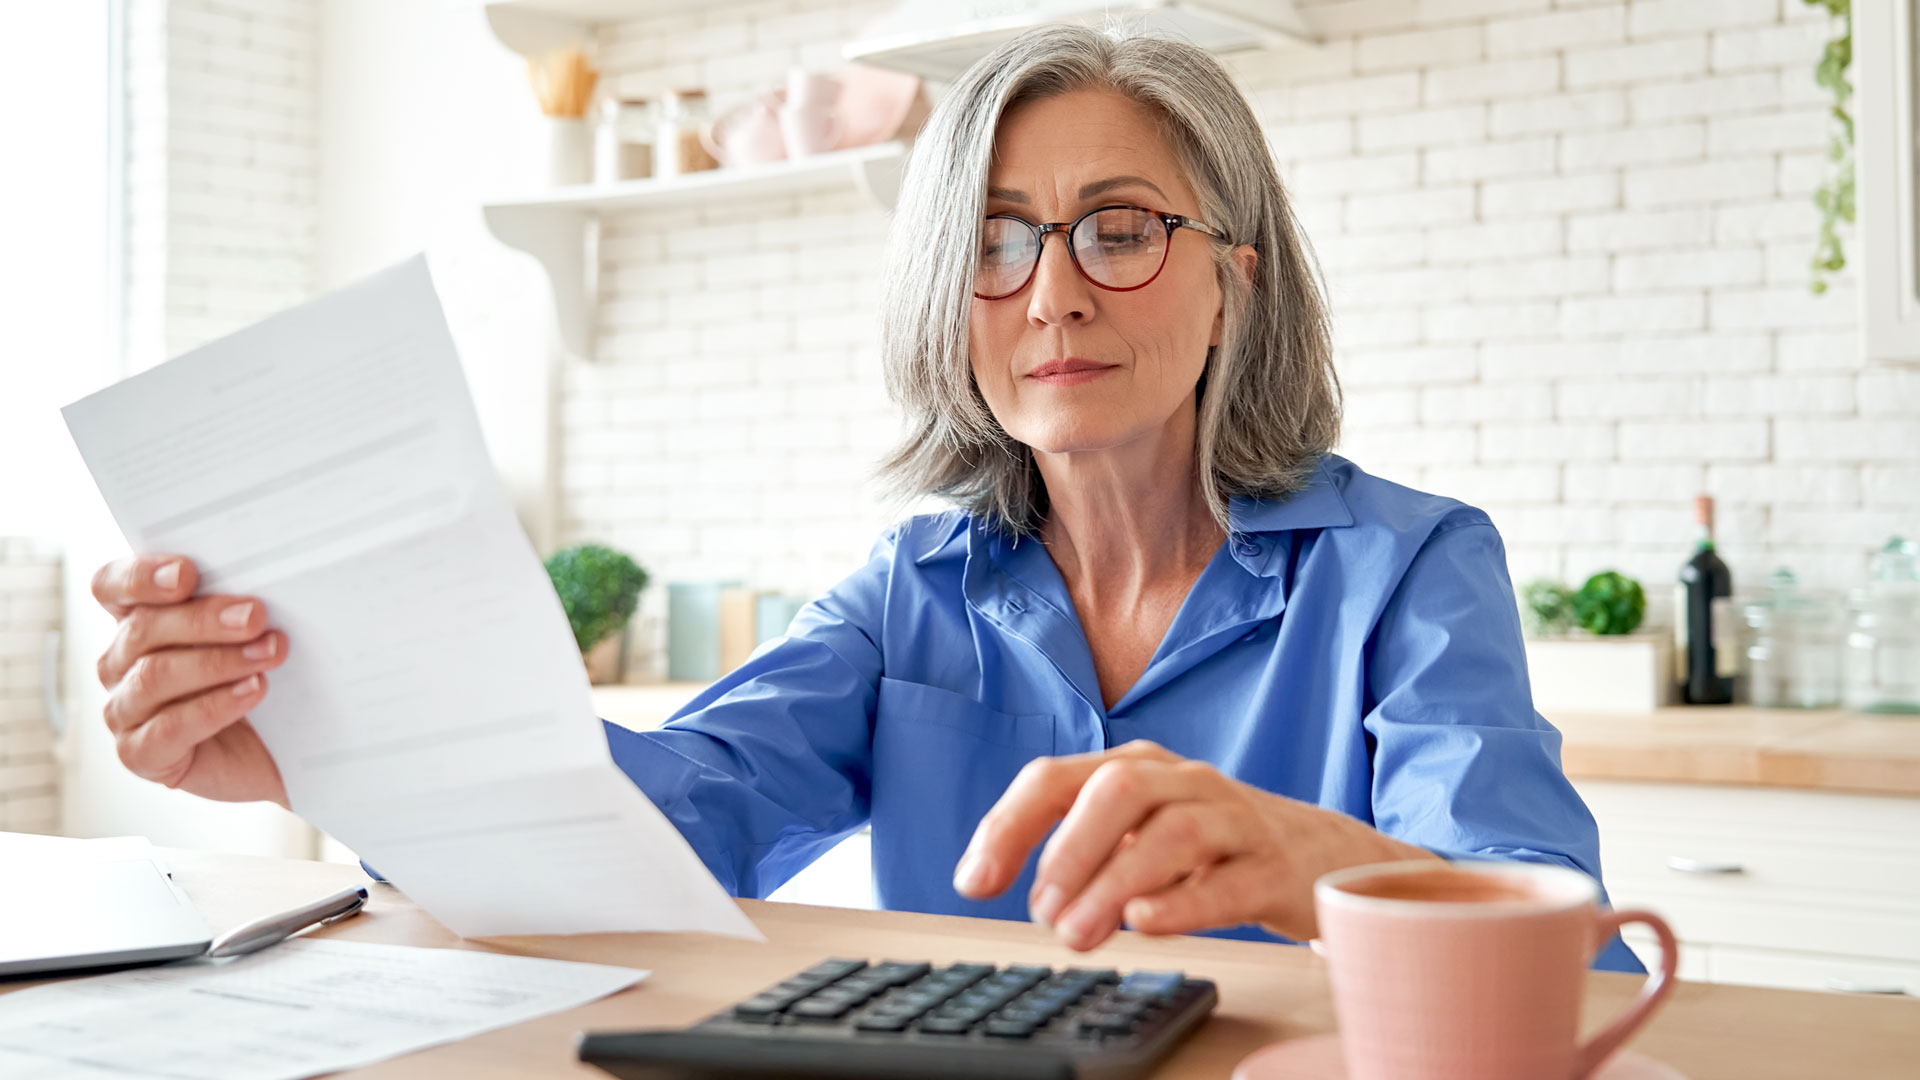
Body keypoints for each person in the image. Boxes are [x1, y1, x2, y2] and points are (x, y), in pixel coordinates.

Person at [87, 25, 1641, 971]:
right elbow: (661, 826)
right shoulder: (914, 592)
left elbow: (1558, 931)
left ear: (1231, 285)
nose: (1050, 295)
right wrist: (325, 745)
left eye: (1117, 230)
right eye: (995, 239)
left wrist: (1311, 862)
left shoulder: (1408, 570)